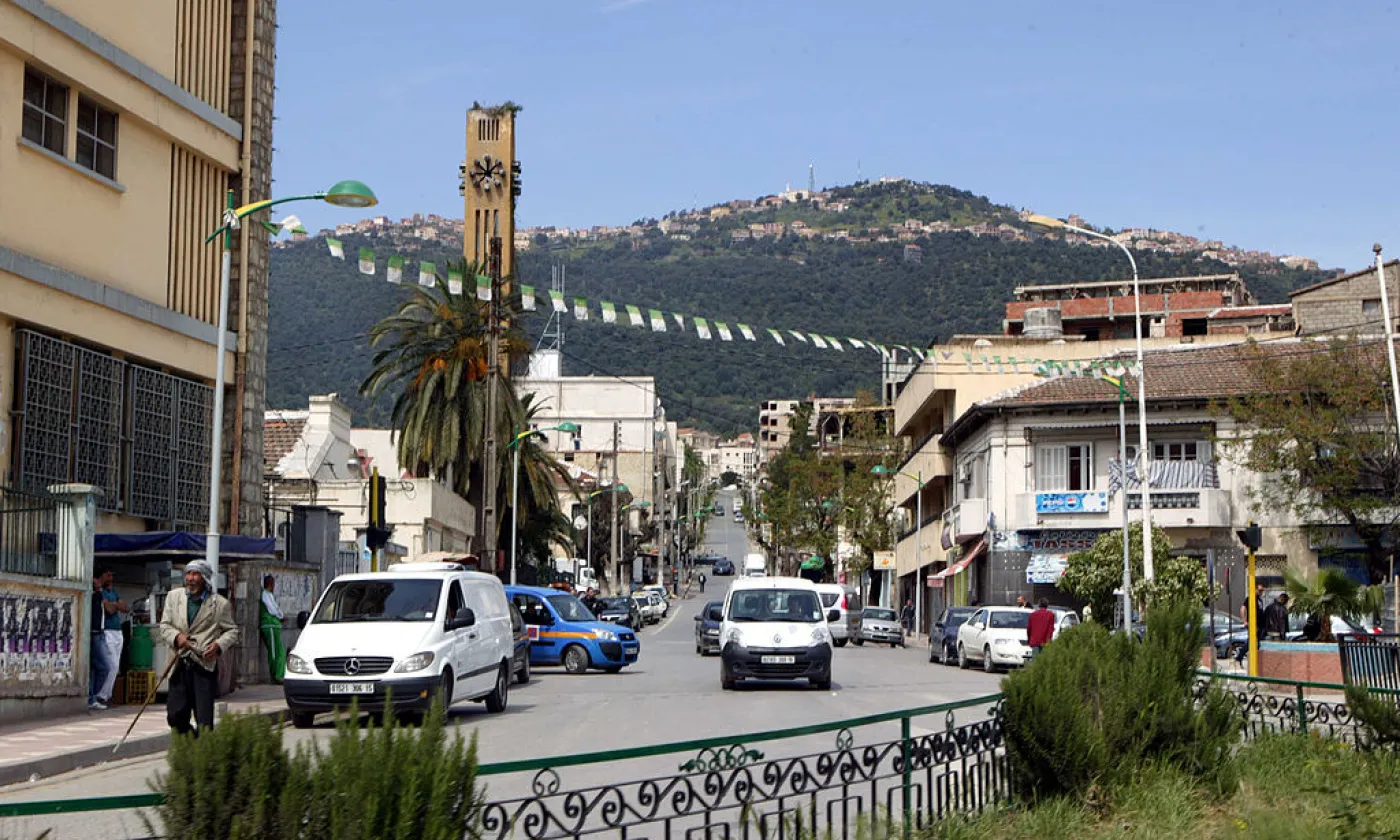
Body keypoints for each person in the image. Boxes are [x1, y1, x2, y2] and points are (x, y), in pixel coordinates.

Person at [158, 560, 239, 735]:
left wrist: (218, 646)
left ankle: (203, 753)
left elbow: (232, 631)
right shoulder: (174, 597)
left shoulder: (219, 604)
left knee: (203, 720)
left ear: (205, 578)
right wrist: (177, 637)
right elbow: (164, 626)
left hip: (204, 666)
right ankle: (190, 741)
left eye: (195, 574)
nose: (190, 579)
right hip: (178, 663)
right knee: (175, 715)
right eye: (188, 574)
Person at [96, 567, 128, 706]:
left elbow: (125, 607)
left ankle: (106, 694)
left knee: (115, 665)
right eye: (108, 575)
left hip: (117, 631)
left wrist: (114, 605)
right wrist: (116, 605)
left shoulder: (113, 592)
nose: (111, 578)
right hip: (107, 630)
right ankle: (101, 694)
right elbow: (108, 610)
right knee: (110, 665)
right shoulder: (100, 593)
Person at [88, 568, 112, 711]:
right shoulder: (93, 596)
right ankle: (92, 695)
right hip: (95, 634)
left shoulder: (99, 594)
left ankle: (91, 697)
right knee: (105, 667)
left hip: (100, 632)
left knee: (93, 669)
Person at [259, 574, 286, 684]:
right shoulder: (266, 594)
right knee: (275, 652)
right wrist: (281, 616)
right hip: (270, 625)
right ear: (271, 584)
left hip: (274, 626)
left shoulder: (268, 594)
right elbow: (273, 609)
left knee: (280, 651)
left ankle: (279, 674)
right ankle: (277, 675)